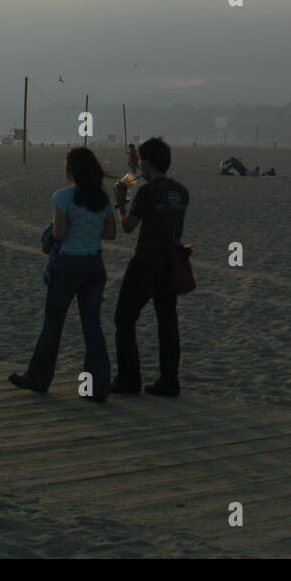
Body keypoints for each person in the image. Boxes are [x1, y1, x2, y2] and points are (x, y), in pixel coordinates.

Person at [10, 147, 115, 401]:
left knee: (53, 324)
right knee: (92, 328)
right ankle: (97, 387)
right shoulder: (102, 200)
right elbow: (111, 233)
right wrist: (89, 229)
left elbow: (59, 233)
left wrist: (70, 229)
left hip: (69, 264)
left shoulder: (63, 196)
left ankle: (37, 379)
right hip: (94, 264)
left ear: (71, 170)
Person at [112, 137, 189, 397]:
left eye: (142, 162)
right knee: (167, 322)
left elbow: (128, 226)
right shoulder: (181, 191)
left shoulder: (147, 192)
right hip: (171, 263)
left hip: (146, 262)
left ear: (147, 162)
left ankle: (128, 379)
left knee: (124, 319)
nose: (140, 166)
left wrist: (120, 203)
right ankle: (170, 380)